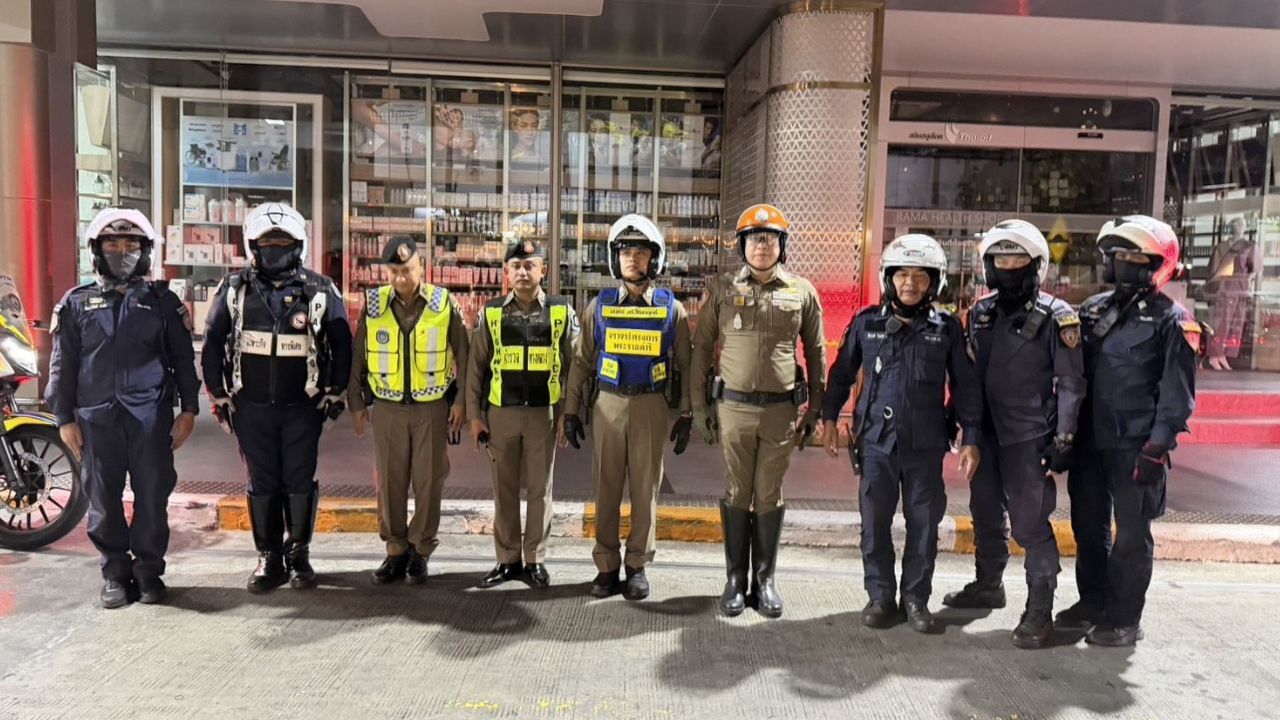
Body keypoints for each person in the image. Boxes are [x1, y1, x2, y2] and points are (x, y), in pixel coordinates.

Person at [821, 233, 982, 633]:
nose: (909, 283)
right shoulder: (866, 324)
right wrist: (827, 419)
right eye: (901, 275)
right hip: (876, 442)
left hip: (925, 447)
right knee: (874, 524)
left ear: (935, 282)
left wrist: (972, 437)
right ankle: (880, 596)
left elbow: (965, 387)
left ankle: (915, 599)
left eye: (920, 276)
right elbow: (841, 375)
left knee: (924, 526)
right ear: (888, 278)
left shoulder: (946, 329)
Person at [940, 219, 1086, 649]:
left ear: (1035, 265)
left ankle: (1040, 610)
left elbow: (1072, 385)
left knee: (1029, 524)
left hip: (1028, 436)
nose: (1007, 267)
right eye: (999, 259)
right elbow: (971, 376)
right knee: (985, 512)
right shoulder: (980, 312)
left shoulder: (1058, 317)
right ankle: (988, 584)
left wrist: (1064, 438)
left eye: (1016, 259)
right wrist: (959, 419)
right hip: (984, 435)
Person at [47, 208, 201, 608]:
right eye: (112, 244)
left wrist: (189, 409)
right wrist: (63, 418)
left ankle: (149, 571)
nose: (122, 251)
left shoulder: (163, 302)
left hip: (150, 420)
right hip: (96, 421)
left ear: (146, 251)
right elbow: (63, 366)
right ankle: (115, 573)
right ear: (96, 251)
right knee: (103, 499)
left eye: (131, 245)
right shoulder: (75, 303)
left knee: (153, 496)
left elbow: (183, 360)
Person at [1059, 215, 1199, 647]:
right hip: (1089, 443)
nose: (1124, 264)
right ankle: (1094, 601)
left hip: (1137, 447)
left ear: (1158, 264)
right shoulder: (1093, 310)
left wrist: (1156, 448)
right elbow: (1071, 378)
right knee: (1088, 527)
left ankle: (1123, 618)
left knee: (1132, 537)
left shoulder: (1174, 322)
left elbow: (1177, 396)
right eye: (1118, 256)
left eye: (1136, 257)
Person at [202, 202, 352, 593]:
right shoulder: (234, 289)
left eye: (283, 242)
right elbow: (213, 341)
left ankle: (298, 555)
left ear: (299, 244)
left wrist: (336, 392)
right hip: (250, 407)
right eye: (267, 243)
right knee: (262, 481)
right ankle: (269, 557)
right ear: (252, 245)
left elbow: (341, 341)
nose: (275, 248)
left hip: (303, 407)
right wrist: (217, 393)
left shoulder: (319, 288)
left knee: (300, 480)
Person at [690, 203, 825, 619]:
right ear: (741, 246)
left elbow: (816, 352)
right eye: (753, 239)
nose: (761, 246)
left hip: (780, 413)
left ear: (781, 246)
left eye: (768, 239)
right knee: (737, 492)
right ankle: (735, 580)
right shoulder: (723, 288)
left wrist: (815, 409)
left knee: (768, 493)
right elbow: (702, 350)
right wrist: (699, 408)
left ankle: (764, 581)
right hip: (734, 408)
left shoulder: (801, 291)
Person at [559, 214, 692, 600]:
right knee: (606, 487)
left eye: (641, 251)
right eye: (626, 251)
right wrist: (571, 410)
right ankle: (606, 565)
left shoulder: (671, 309)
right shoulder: (599, 307)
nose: (633, 258)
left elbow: (686, 362)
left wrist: (686, 414)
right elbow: (582, 361)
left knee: (645, 489)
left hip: (651, 405)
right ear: (614, 259)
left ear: (656, 258)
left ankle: (636, 565)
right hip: (608, 405)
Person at [348, 236, 468, 585]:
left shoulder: (443, 303)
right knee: (389, 482)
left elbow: (464, 352)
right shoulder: (374, 305)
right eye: (395, 271)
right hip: (387, 408)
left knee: (430, 481)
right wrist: (356, 402)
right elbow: (359, 356)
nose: (401, 278)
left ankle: (420, 550)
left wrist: (460, 401)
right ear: (387, 271)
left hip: (432, 408)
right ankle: (396, 550)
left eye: (408, 270)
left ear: (422, 268)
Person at [466, 239, 578, 588]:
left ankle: (535, 560)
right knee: (504, 489)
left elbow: (575, 367)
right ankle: (507, 559)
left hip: (543, 414)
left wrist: (568, 414)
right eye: (516, 266)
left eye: (530, 265)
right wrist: (474, 416)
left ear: (543, 270)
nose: (523, 272)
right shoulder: (492, 312)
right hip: (501, 414)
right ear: (506, 272)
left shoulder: (562, 311)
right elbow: (476, 367)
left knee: (540, 491)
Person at [1204, 217, 1260, 370]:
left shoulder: (1250, 246)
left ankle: (1224, 354)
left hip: (1240, 288)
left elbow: (1253, 269)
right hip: (1223, 289)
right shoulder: (1221, 247)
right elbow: (1213, 270)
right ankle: (1214, 355)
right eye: (1236, 224)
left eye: (1242, 224)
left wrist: (1247, 282)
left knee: (1236, 324)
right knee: (1221, 322)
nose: (1239, 227)